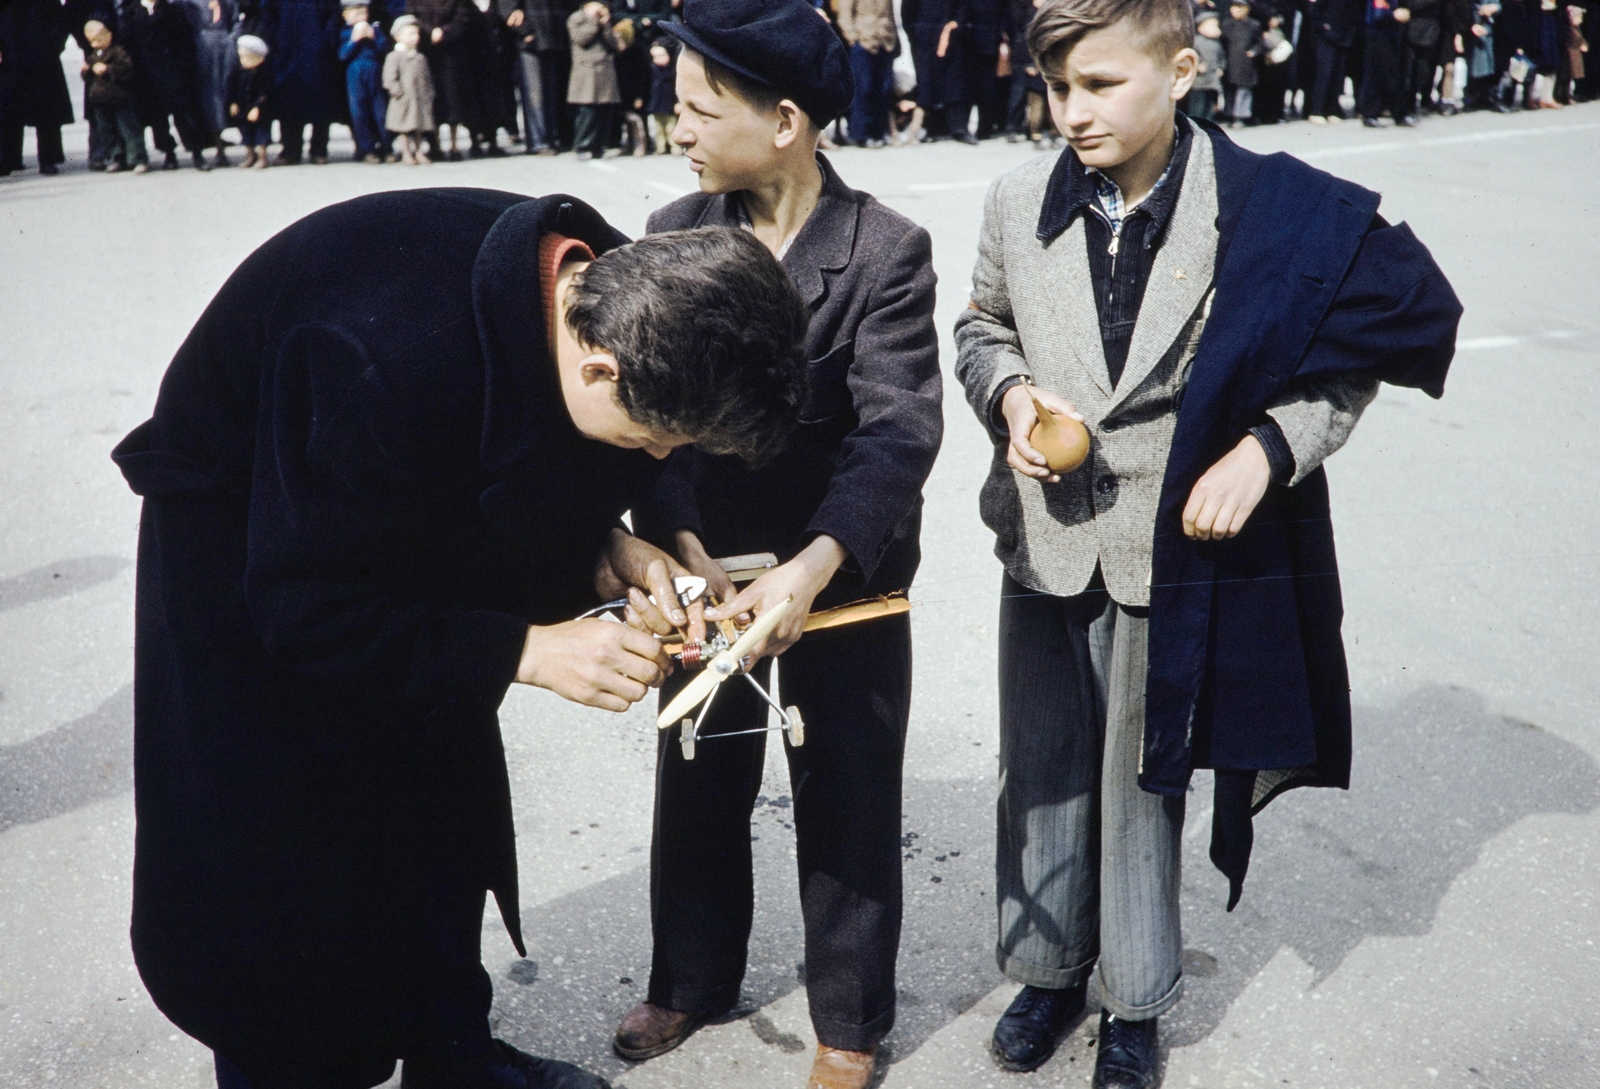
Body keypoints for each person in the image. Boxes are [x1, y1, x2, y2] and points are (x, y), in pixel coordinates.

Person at [112, 190, 810, 1089]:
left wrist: (619, 546)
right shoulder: (372, 354)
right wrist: (527, 649)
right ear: (600, 369)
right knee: (288, 888)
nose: (658, 462)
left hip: (386, 510)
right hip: (259, 561)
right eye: (655, 439)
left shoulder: (608, 287)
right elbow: (307, 602)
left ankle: (457, 1059)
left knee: (443, 800)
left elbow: (557, 455)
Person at [954, 0, 1461, 1084]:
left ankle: (1134, 1000)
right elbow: (981, 323)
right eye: (1056, 89)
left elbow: (1346, 363)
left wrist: (1268, 450)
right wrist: (1005, 398)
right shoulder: (1011, 201)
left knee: (1146, 780)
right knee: (1041, 770)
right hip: (1044, 544)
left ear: (1182, 71)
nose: (1073, 112)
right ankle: (1046, 971)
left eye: (1100, 85)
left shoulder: (1259, 213)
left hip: (1171, 552)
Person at [615, 3, 942, 1088]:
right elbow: (645, 419)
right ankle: (690, 979)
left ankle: (848, 1019)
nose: (678, 128)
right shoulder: (675, 225)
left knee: (847, 790)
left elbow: (897, 434)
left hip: (838, 580)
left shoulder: (884, 252)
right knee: (698, 775)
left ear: (789, 120)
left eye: (700, 108)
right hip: (707, 572)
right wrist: (681, 541)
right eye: (676, 105)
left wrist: (814, 567)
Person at [259, 0, 342, 163]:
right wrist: (275, 42)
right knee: (290, 101)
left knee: (320, 101)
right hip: (287, 48)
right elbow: (268, 12)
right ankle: (290, 150)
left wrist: (326, 43)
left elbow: (333, 14)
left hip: (318, 50)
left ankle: (319, 150)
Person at [0, 0, 75, 176]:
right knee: (7, 109)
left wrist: (54, 45)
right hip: (8, 54)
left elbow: (59, 18)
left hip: (42, 54)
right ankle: (8, 159)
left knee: (46, 110)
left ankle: (48, 159)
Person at [412, 0, 483, 158]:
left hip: (452, 53)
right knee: (432, 100)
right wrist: (430, 32)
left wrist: (445, 32)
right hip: (427, 51)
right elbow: (413, 18)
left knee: (454, 100)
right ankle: (434, 144)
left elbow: (463, 19)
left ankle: (454, 145)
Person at [82, 18, 151, 172]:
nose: (95, 44)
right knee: (108, 131)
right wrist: (86, 70)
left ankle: (138, 159)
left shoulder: (118, 52)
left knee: (129, 129)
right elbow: (88, 79)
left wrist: (108, 69)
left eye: (99, 40)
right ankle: (116, 157)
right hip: (101, 101)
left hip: (120, 98)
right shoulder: (93, 57)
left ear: (109, 35)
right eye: (91, 41)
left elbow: (126, 70)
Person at [905, 0, 978, 141]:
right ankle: (932, 129)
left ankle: (959, 128)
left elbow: (963, 8)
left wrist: (957, 26)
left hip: (950, 38)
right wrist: (916, 35)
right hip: (924, 41)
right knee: (928, 85)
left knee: (954, 84)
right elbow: (907, 12)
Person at [176, 0, 238, 166]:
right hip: (199, 50)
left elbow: (236, 20)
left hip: (225, 50)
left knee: (225, 93)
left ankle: (222, 145)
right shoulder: (187, 4)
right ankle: (209, 144)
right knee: (207, 99)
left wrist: (232, 40)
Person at [507, 0, 569, 154]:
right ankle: (538, 141)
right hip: (531, 41)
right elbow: (507, 8)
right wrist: (524, 30)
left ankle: (552, 137)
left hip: (552, 38)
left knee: (550, 93)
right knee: (535, 94)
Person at [838, 0, 898, 147]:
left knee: (883, 90)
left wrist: (894, 37)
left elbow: (891, 14)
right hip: (864, 41)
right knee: (863, 89)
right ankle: (860, 134)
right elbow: (844, 16)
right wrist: (853, 39)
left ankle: (878, 132)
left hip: (885, 42)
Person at [566, 1, 620, 158]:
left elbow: (613, 44)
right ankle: (582, 146)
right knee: (587, 111)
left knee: (604, 110)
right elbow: (582, 38)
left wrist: (606, 25)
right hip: (586, 70)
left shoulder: (604, 20)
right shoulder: (577, 18)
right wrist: (595, 21)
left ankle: (598, 145)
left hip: (605, 69)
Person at [338, 0, 390, 162]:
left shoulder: (374, 29)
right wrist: (354, 40)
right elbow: (342, 56)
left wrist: (374, 37)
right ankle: (366, 149)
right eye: (356, 14)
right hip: (355, 72)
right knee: (359, 112)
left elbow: (384, 49)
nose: (361, 17)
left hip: (374, 70)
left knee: (380, 112)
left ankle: (387, 147)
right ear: (346, 16)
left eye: (363, 13)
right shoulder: (345, 32)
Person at [384, 13, 435, 162]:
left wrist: (430, 93)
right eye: (410, 34)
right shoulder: (394, 57)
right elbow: (389, 78)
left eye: (416, 33)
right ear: (398, 36)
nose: (415, 37)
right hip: (403, 99)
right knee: (404, 129)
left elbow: (427, 78)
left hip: (420, 98)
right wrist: (397, 92)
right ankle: (406, 152)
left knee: (419, 128)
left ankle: (419, 151)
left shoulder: (420, 57)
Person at [1361, 0, 1418, 125]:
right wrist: (1393, 15)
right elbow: (1377, 14)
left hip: (1391, 34)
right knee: (1384, 75)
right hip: (1378, 35)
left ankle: (1382, 113)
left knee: (1387, 74)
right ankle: (1393, 113)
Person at [1305, 0, 1363, 120]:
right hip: (1326, 36)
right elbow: (1314, 10)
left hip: (1343, 36)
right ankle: (1317, 110)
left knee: (1338, 74)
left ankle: (1331, 110)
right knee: (1325, 73)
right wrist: (1323, 27)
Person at [228, 32, 271, 165]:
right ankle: (250, 156)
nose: (242, 61)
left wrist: (258, 107)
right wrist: (233, 103)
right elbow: (231, 88)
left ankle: (262, 157)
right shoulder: (238, 72)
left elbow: (265, 92)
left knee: (261, 134)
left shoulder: (263, 73)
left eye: (246, 58)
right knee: (246, 134)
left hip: (259, 111)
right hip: (243, 108)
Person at [1218, 0, 1261, 124]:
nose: (1236, 10)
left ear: (1247, 9)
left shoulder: (1254, 25)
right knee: (1229, 90)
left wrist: (1254, 51)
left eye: (1240, 7)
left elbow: (1260, 43)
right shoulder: (1226, 24)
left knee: (1243, 90)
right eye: (1234, 7)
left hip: (1245, 63)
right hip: (1230, 61)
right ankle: (1228, 114)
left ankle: (1241, 116)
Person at [1189, 9, 1225, 119]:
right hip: (1199, 81)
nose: (1216, 29)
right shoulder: (1196, 42)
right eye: (1211, 26)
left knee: (1210, 103)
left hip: (1212, 79)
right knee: (1198, 104)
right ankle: (1195, 121)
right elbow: (1192, 54)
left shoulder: (1217, 44)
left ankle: (1208, 121)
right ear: (1200, 28)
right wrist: (1197, 64)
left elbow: (1222, 58)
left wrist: (1221, 68)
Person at [646, 38, 678, 153]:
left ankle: (675, 147)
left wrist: (677, 102)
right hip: (656, 104)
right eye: (655, 56)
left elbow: (676, 89)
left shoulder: (673, 70)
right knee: (658, 128)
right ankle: (661, 147)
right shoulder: (652, 70)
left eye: (662, 55)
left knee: (671, 127)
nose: (659, 59)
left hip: (669, 103)